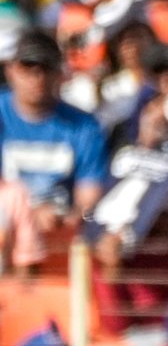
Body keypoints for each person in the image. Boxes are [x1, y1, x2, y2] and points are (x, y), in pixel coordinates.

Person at [0, 30, 106, 233]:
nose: (37, 77)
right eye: (27, 67)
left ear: (59, 73)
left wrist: (72, 216)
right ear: (10, 70)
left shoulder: (84, 126)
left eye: (45, 68)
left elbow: (88, 197)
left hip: (58, 229)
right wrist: (29, 214)